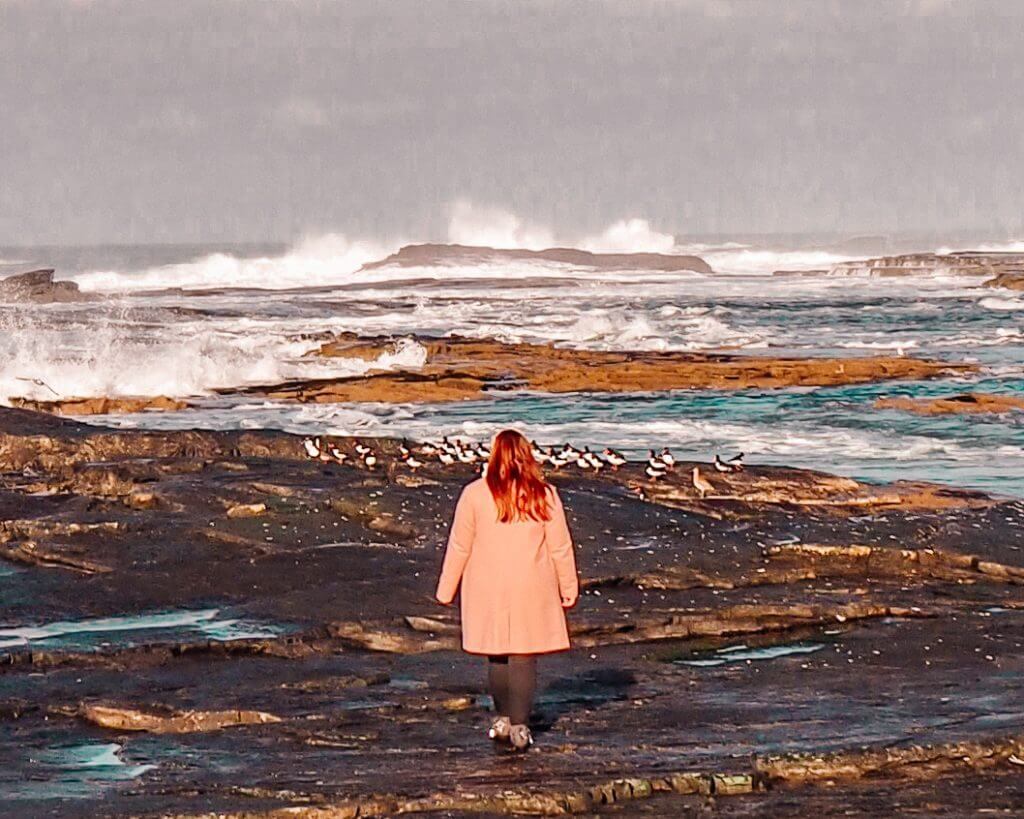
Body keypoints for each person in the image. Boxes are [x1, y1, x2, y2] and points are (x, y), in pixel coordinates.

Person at [435, 428, 579, 750]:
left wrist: (446, 589)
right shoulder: (544, 494)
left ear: (494, 455)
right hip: (532, 584)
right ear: (526, 456)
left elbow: (459, 545)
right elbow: (560, 548)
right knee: (523, 655)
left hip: (487, 586)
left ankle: (502, 719)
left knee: (497, 654)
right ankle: (520, 726)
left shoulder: (474, 493)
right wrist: (569, 586)